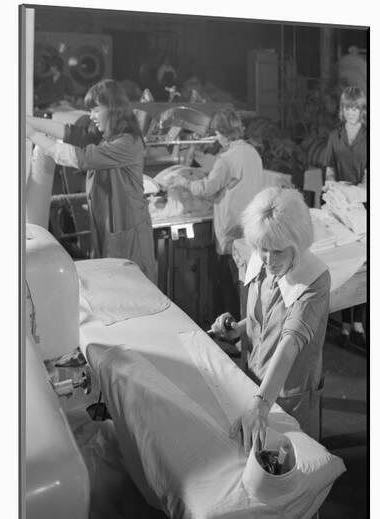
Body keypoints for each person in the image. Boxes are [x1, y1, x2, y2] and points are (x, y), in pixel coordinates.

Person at [211, 187, 330, 453]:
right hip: (254, 379)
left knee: (295, 462)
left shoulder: (314, 280)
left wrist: (261, 404)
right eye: (263, 249)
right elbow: (263, 318)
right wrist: (238, 330)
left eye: (278, 252)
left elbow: (290, 344)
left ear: (298, 245)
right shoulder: (261, 259)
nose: (268, 260)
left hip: (290, 391)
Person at [26, 79, 157, 283]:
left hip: (130, 235)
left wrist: (32, 134)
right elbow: (71, 133)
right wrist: (26, 120)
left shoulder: (127, 143)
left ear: (112, 109)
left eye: (96, 110)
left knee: (134, 289)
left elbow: (80, 157)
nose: (92, 116)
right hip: (111, 231)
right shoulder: (107, 138)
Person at [172, 108, 264, 321]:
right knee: (245, 283)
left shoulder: (226, 160)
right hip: (249, 227)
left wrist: (183, 182)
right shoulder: (252, 153)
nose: (217, 137)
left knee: (228, 282)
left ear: (222, 133)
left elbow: (207, 188)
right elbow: (232, 184)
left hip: (230, 229)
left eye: (217, 133)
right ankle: (246, 332)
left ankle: (235, 334)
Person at [324, 86, 367, 348]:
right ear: (343, 109)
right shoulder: (334, 135)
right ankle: (346, 326)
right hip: (339, 204)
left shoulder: (371, 136)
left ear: (362, 109)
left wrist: (360, 189)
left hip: (363, 205)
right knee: (343, 261)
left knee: (363, 264)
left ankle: (359, 324)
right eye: (348, 107)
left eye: (356, 107)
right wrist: (331, 184)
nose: (352, 112)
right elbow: (329, 166)